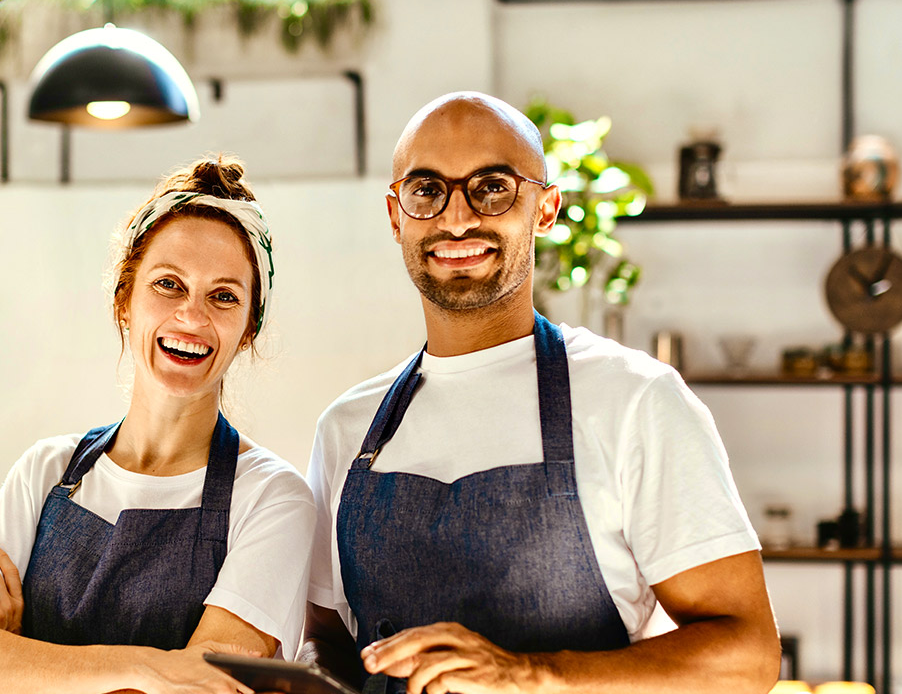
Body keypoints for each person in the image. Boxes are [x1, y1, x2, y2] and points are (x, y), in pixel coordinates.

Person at [301, 93, 780, 694]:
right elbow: (324, 637)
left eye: (492, 188)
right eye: (427, 190)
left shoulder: (636, 400)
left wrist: (528, 674)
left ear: (545, 208)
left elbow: (748, 656)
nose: (456, 219)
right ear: (396, 215)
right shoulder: (348, 428)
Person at [0, 156, 317, 694]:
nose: (192, 316)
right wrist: (154, 668)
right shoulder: (44, 472)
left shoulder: (273, 499)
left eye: (224, 296)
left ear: (248, 329)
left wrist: (16, 658)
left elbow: (202, 690)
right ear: (124, 302)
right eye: (168, 284)